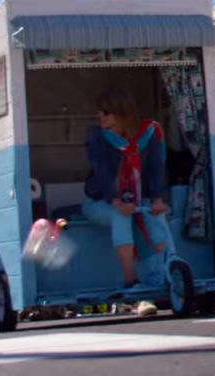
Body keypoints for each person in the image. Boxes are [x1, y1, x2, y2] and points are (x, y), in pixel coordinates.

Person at [82, 87, 171, 300]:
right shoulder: (97, 137)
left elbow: (156, 168)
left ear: (120, 112)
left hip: (136, 201)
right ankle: (131, 279)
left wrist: (158, 199)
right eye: (100, 112)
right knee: (121, 215)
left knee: (157, 219)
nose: (100, 116)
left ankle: (164, 275)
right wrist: (116, 200)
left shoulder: (146, 135)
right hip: (99, 202)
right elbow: (101, 173)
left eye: (106, 112)